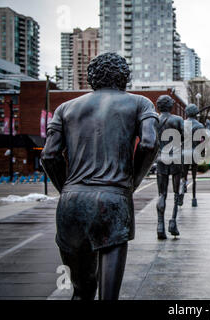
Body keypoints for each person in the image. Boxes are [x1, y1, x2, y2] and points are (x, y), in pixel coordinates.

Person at [41, 52, 159, 300]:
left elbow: (49, 156)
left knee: (82, 291)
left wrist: (67, 189)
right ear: (124, 76)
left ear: (91, 78)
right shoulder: (140, 103)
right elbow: (149, 144)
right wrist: (132, 182)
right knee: (108, 296)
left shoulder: (65, 108)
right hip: (113, 199)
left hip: (71, 203)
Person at [155, 95, 184, 239]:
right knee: (176, 192)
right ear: (170, 106)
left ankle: (160, 225)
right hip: (175, 158)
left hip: (161, 159)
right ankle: (172, 222)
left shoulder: (155, 121)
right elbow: (185, 138)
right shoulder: (177, 120)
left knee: (162, 194)